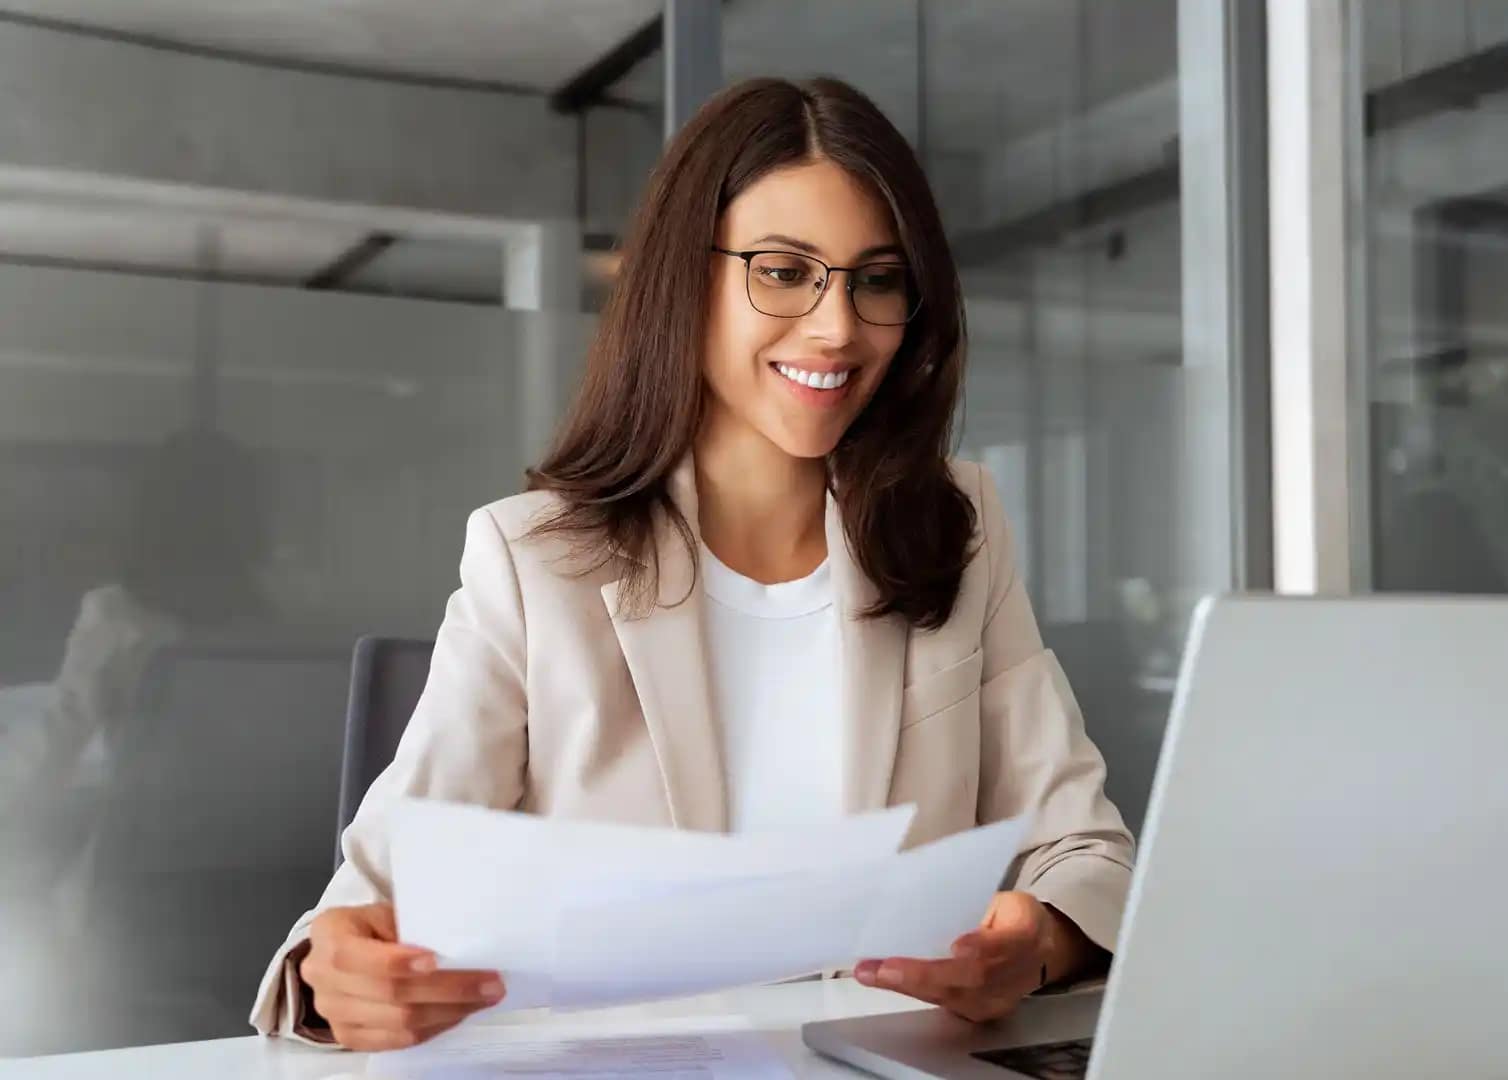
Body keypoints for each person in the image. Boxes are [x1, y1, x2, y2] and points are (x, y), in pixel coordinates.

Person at [251, 77, 1135, 1051]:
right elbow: (365, 910)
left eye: (877, 278)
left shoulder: (959, 526)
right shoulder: (534, 560)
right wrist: (337, 976)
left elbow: (1084, 851)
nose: (839, 326)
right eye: (785, 270)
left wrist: (1037, 942)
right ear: (688, 277)